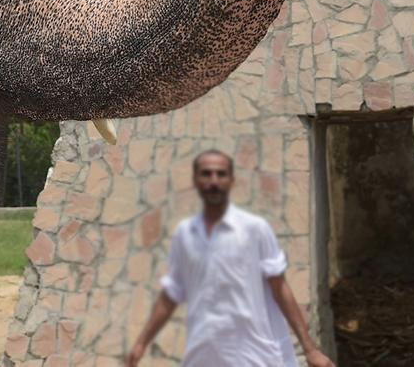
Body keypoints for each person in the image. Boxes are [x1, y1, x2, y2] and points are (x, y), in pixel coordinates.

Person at [125, 149, 334, 367]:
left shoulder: (255, 229)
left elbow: (280, 287)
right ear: (195, 180)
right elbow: (171, 295)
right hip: (204, 355)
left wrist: (310, 350)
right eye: (206, 174)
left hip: (256, 356)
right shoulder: (185, 234)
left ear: (231, 180)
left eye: (221, 174)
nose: (214, 181)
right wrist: (141, 344)